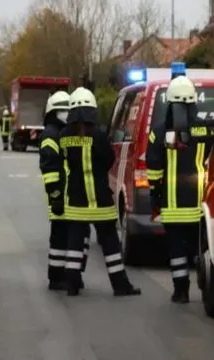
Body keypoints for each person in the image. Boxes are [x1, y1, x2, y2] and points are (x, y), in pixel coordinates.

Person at [59, 87, 141, 297]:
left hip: (76, 201)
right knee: (111, 246)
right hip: (100, 201)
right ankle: (120, 285)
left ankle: (72, 284)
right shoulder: (98, 135)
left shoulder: (64, 135)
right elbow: (108, 160)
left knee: (74, 245)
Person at [146, 75, 214, 303]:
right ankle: (205, 284)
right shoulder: (206, 130)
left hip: (171, 204)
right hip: (199, 204)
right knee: (201, 246)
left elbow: (154, 166)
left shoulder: (158, 132)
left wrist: (155, 194)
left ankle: (181, 290)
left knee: (176, 249)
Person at [38, 90, 77, 290]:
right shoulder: (50, 135)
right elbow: (49, 168)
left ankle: (69, 276)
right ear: (53, 112)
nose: (66, 114)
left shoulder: (66, 132)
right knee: (60, 238)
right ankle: (56, 277)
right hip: (60, 196)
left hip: (71, 196)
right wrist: (55, 196)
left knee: (72, 238)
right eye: (62, 110)